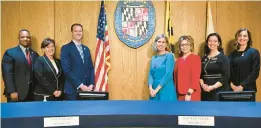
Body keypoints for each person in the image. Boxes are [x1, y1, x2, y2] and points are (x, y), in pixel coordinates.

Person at [2, 29, 39, 102]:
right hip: (16, 94)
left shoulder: (35, 54)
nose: (25, 39)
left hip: (32, 94)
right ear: (18, 38)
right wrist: (12, 91)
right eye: (22, 37)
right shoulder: (10, 53)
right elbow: (7, 74)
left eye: (27, 37)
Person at [61, 23, 95, 100]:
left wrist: (91, 84)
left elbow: (91, 68)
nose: (78, 33)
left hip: (87, 89)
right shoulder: (66, 48)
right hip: (73, 90)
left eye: (80, 31)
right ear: (72, 33)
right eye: (76, 31)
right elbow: (67, 70)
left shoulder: (86, 49)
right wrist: (81, 85)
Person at [229, 28, 260, 95]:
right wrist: (231, 85)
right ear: (237, 38)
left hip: (248, 90)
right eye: (240, 36)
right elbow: (229, 71)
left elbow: (255, 72)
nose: (242, 38)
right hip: (233, 89)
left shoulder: (253, 52)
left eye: (245, 36)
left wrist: (242, 86)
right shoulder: (232, 54)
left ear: (249, 38)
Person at [200, 33, 230, 101]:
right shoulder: (203, 58)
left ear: (219, 43)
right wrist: (202, 85)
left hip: (219, 92)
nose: (212, 43)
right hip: (205, 92)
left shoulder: (224, 58)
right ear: (207, 43)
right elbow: (200, 76)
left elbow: (226, 77)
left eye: (215, 41)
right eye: (210, 41)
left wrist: (213, 87)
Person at [148, 34, 177, 100]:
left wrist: (156, 90)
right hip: (153, 89)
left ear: (166, 44)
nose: (161, 44)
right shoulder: (153, 58)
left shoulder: (169, 56)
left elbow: (168, 74)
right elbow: (150, 74)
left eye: (163, 42)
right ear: (156, 43)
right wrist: (150, 88)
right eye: (159, 41)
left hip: (165, 88)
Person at [174, 35, 201, 101]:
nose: (184, 47)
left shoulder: (195, 58)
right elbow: (175, 77)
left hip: (191, 94)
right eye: (182, 45)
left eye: (187, 44)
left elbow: (195, 77)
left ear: (191, 45)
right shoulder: (178, 60)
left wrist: (189, 93)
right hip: (179, 94)